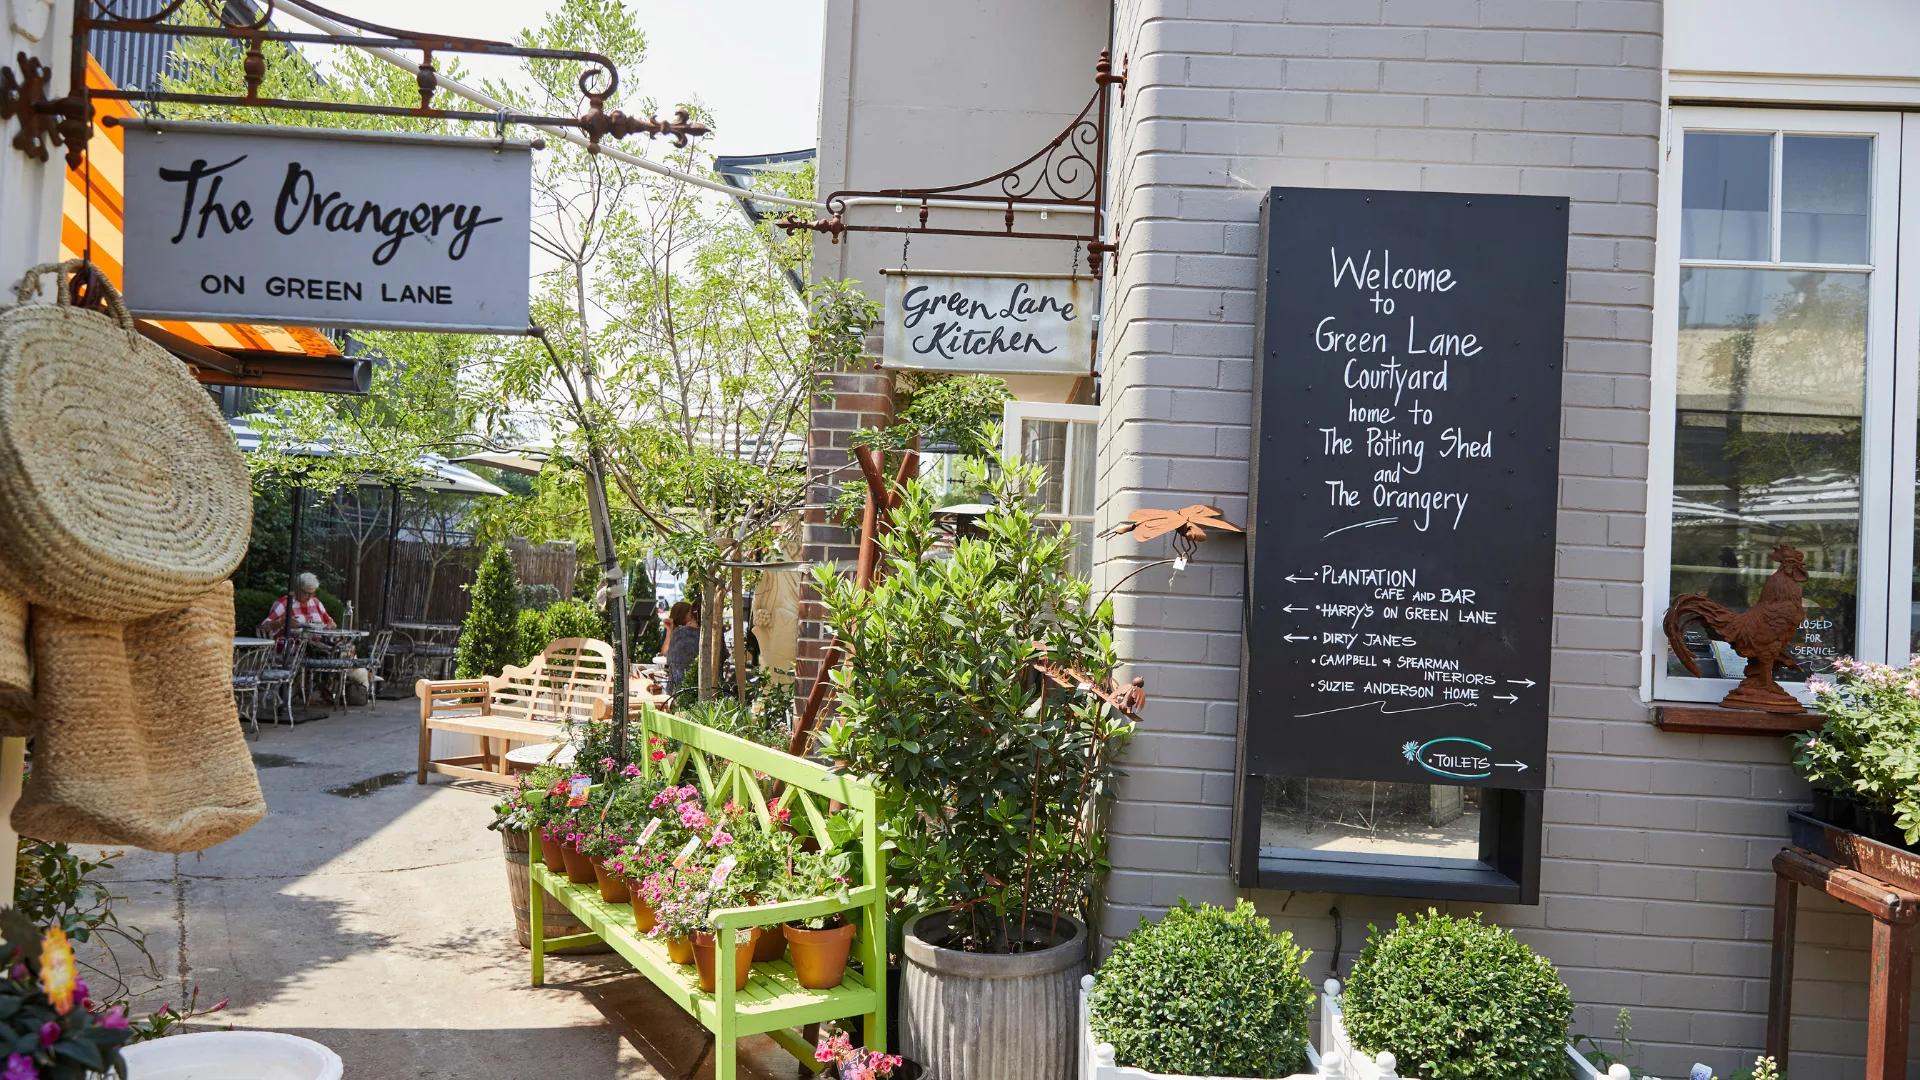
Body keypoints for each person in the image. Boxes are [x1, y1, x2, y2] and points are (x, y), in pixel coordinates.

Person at [260, 572, 336, 640]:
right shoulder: (285, 603)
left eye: (313, 593)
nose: (310, 596)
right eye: (307, 593)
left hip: (314, 650)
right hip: (288, 650)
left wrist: (329, 626)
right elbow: (263, 628)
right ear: (298, 589)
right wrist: (281, 622)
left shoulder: (316, 602)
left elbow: (331, 624)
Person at [663, 601, 699, 700]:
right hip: (681, 682)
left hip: (679, 684)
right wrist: (669, 631)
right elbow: (665, 652)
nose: (691, 615)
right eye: (689, 613)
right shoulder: (676, 632)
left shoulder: (682, 632)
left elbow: (667, 655)